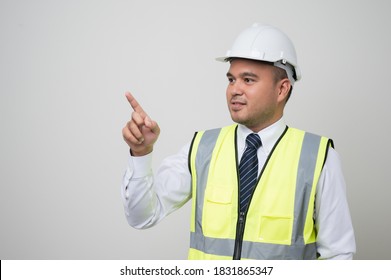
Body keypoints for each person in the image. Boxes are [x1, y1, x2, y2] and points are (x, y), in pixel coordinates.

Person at [121, 23, 356, 260]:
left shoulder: (317, 158)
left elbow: (338, 255)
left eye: (248, 80)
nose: (235, 90)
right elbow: (142, 217)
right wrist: (141, 153)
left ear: (282, 89)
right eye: (231, 79)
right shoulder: (202, 148)